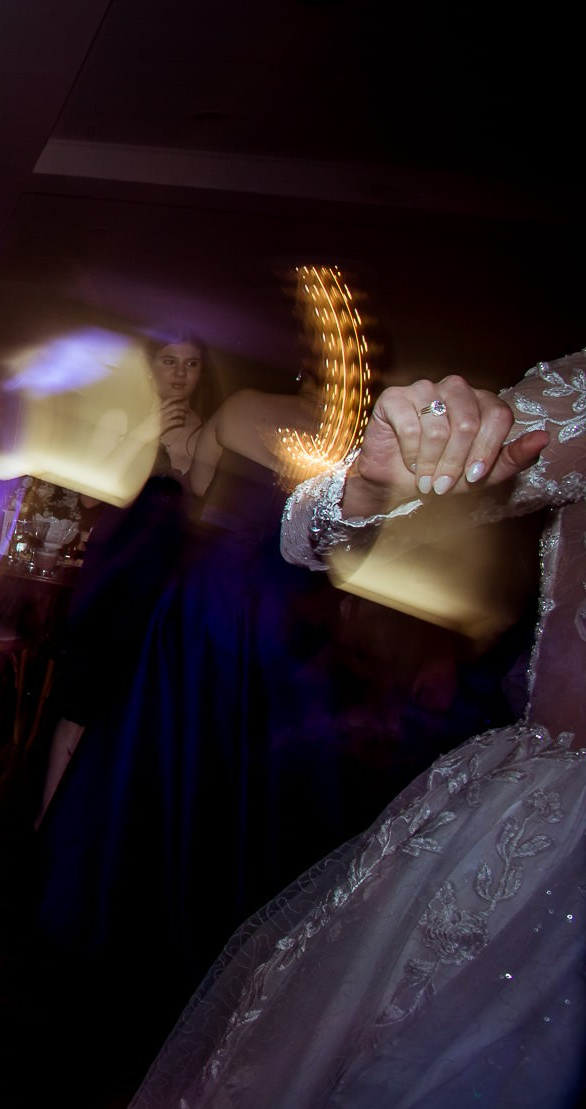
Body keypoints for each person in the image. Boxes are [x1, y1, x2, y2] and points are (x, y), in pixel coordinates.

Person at [134, 355, 581, 1109]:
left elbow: (208, 500)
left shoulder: (246, 403)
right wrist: (373, 484)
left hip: (246, 615)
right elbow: (320, 517)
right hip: (245, 614)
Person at [36, 333, 213, 822]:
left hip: (161, 588)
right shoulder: (121, 417)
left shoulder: (207, 434)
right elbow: (91, 499)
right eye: (169, 361)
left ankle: (90, 826)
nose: (180, 373)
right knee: (79, 705)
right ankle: (46, 820)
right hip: (110, 576)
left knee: (126, 713)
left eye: (192, 363)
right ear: (152, 367)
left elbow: (202, 521)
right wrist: (145, 433)